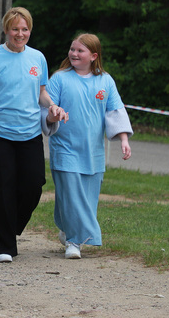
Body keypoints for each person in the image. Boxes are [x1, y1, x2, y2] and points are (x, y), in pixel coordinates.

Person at [0, 6, 68, 263]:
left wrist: (52, 106)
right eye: (15, 29)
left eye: (24, 29)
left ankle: (11, 227)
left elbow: (41, 93)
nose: (20, 34)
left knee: (34, 184)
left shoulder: (37, 58)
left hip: (29, 132)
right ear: (6, 30)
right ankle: (5, 245)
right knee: (2, 187)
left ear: (30, 30)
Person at [47, 33, 133, 259]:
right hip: (64, 149)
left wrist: (124, 139)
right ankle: (75, 242)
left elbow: (115, 112)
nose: (74, 54)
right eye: (72, 49)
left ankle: (68, 229)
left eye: (80, 51)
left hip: (93, 152)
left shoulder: (105, 81)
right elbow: (47, 109)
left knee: (85, 198)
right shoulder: (59, 79)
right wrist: (53, 115)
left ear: (94, 56)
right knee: (71, 195)